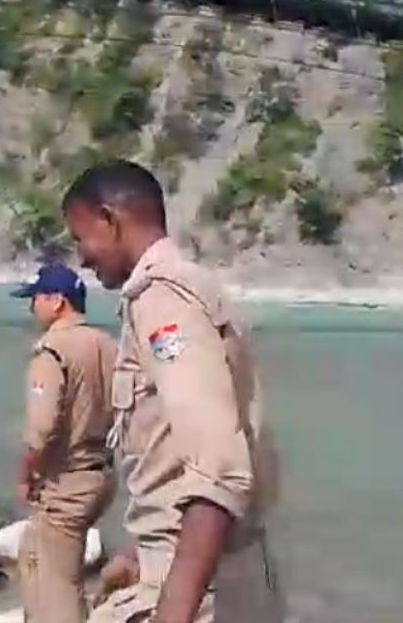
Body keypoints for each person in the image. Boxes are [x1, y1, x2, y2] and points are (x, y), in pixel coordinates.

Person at [60, 160, 284, 623]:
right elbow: (173, 451)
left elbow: (219, 471)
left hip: (203, 592)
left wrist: (173, 610)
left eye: (81, 238)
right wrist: (138, 551)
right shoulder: (196, 287)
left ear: (109, 219)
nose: (82, 258)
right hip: (223, 572)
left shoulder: (164, 300)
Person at [10, 262, 118, 623]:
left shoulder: (52, 350)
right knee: (58, 569)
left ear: (58, 300)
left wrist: (25, 476)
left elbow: (41, 427)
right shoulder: (107, 345)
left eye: (36, 298)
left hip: (67, 479)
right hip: (101, 473)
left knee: (51, 581)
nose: (32, 306)